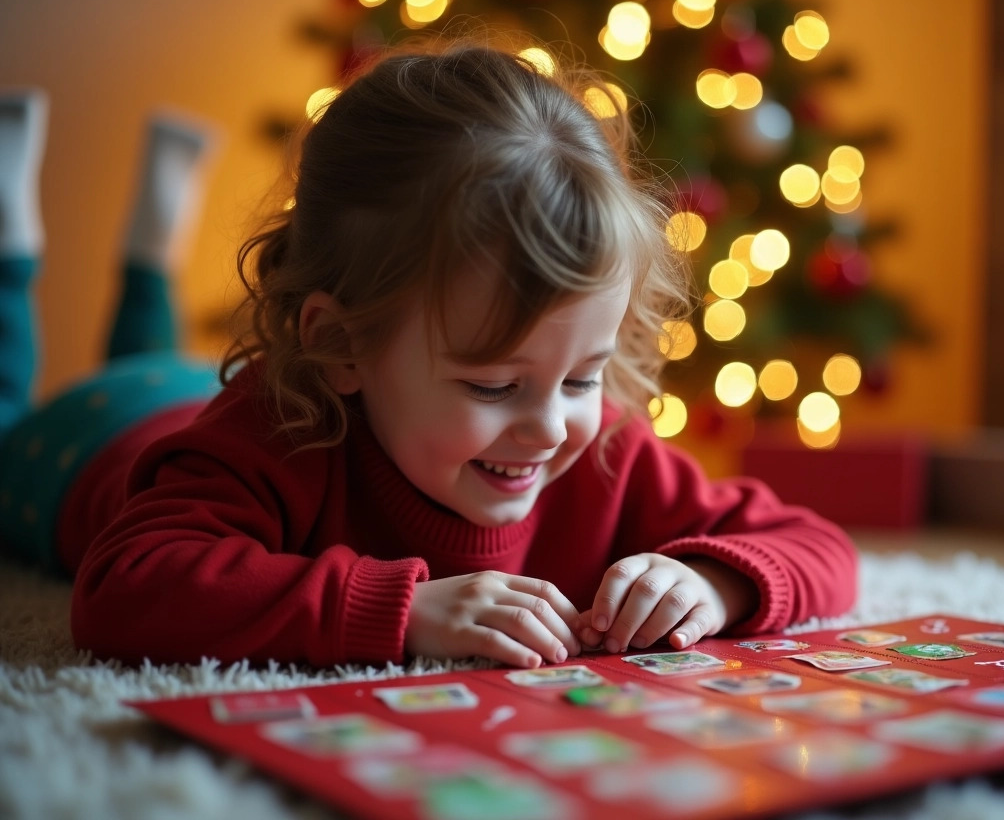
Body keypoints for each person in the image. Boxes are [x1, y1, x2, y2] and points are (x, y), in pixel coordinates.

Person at [0, 40, 857, 670]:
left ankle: (146, 249)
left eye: (583, 376)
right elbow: (126, 585)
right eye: (493, 384)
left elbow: (819, 546)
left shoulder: (596, 453)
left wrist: (715, 582)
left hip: (182, 393)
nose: (549, 426)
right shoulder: (273, 434)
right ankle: (20, 256)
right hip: (91, 439)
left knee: (149, 359)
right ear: (340, 345)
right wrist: (399, 610)